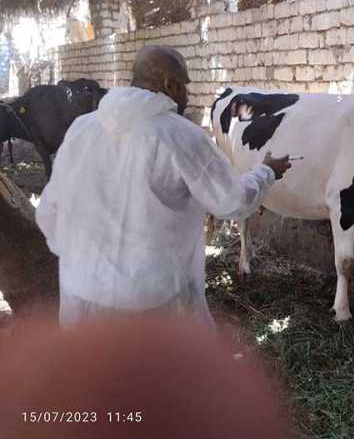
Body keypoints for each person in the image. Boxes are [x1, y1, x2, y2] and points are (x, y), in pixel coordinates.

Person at [35, 45, 291, 328]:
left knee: (88, 371)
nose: (188, 95)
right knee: (151, 372)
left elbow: (48, 210)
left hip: (80, 297)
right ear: (171, 84)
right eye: (186, 86)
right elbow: (232, 201)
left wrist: (80, 260)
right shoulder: (179, 136)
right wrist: (267, 172)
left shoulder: (81, 129)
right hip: (149, 304)